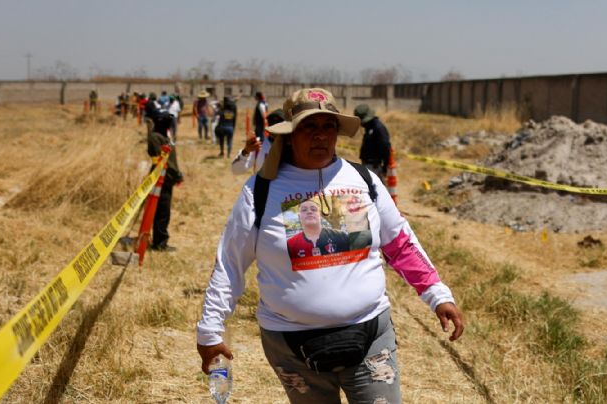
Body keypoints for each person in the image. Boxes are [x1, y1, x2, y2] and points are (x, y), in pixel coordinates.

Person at [197, 88, 464, 403]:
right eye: (309, 127)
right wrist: (210, 329)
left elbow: (400, 244)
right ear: (290, 133)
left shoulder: (364, 180)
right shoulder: (260, 191)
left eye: (329, 127)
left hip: (370, 337)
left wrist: (437, 295)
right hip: (291, 348)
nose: (320, 136)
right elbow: (230, 263)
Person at [147, 113, 183, 251]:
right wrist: (174, 173)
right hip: (160, 179)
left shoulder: (164, 136)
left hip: (168, 179)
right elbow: (160, 161)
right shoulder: (155, 137)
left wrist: (177, 174)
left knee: (164, 211)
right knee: (161, 212)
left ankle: (160, 240)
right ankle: (160, 243)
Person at [231, 109, 285, 175]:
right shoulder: (258, 145)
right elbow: (236, 171)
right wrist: (246, 151)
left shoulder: (294, 146)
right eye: (272, 124)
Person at [353, 104, 392, 181]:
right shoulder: (369, 128)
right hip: (368, 165)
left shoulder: (378, 128)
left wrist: (385, 165)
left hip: (374, 167)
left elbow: (385, 147)